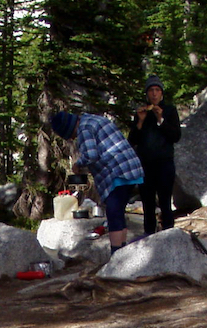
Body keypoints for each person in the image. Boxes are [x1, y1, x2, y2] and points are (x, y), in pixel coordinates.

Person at [49, 110, 144, 253]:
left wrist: (78, 164)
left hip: (117, 172)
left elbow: (91, 155)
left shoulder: (84, 128)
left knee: (113, 214)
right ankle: (124, 253)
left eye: (70, 135)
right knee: (118, 213)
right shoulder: (95, 120)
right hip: (131, 167)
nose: (73, 138)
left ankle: (116, 255)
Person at [128, 74, 182, 237]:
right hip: (145, 164)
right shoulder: (141, 113)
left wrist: (161, 119)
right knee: (148, 203)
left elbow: (176, 136)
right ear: (147, 94)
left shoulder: (170, 111)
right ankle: (149, 234)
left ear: (161, 93)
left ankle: (169, 234)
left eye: (157, 90)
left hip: (164, 163)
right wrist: (140, 122)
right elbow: (132, 140)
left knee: (165, 202)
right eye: (151, 90)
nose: (154, 94)